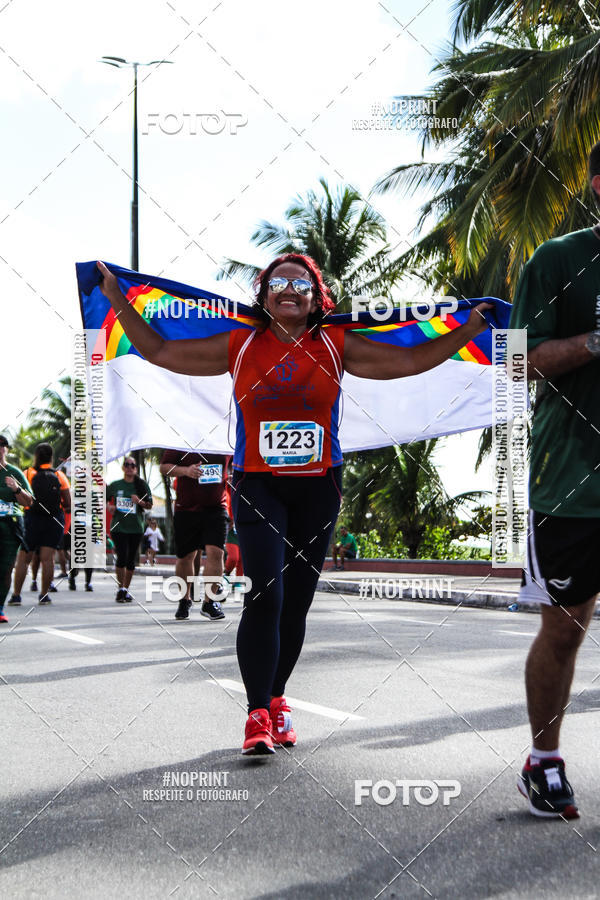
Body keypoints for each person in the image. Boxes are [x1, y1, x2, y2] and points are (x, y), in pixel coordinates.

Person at [97, 253, 491, 755]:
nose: (289, 289)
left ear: (315, 296)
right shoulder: (241, 343)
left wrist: (471, 327)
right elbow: (157, 349)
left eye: (300, 283)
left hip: (318, 486)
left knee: (298, 601)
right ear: (263, 295)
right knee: (268, 593)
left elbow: (413, 361)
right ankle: (256, 713)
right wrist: (115, 298)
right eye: (278, 282)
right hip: (258, 485)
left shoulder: (336, 343)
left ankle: (278, 698)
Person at [509, 142, 600, 820]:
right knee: (566, 631)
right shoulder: (558, 261)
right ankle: (544, 761)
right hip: (572, 483)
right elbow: (517, 365)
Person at [159, 450, 230, 621]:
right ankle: (184, 600)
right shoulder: (183, 437)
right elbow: (164, 467)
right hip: (186, 508)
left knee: (216, 552)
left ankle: (209, 602)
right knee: (186, 556)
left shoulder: (225, 436)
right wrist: (186, 471)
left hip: (217, 507)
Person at [9, 443, 71, 605]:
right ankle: (44, 595)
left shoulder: (28, 473)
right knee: (47, 558)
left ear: (36, 456)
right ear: (51, 457)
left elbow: (20, 497)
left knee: (24, 558)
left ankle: (16, 595)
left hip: (32, 518)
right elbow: (68, 504)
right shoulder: (59, 476)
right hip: (53, 520)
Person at [106, 456, 152, 602]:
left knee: (131, 560)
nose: (130, 467)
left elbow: (150, 505)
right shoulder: (115, 485)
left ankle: (126, 588)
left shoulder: (141, 485)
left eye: (133, 465)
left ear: (136, 468)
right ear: (123, 467)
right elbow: (106, 498)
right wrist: (110, 506)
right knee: (122, 557)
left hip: (136, 528)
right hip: (119, 527)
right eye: (127, 464)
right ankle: (121, 588)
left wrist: (139, 501)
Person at [0, 435, 34, 623]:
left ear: (7, 449)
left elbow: (28, 501)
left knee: (5, 569)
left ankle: (0, 607)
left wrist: (16, 489)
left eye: (2, 445)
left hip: (10, 528)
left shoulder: (14, 473)